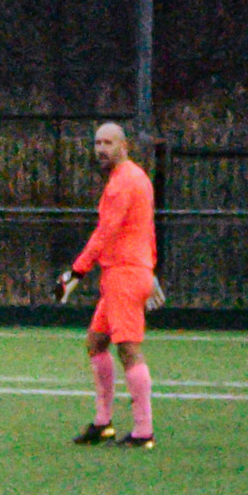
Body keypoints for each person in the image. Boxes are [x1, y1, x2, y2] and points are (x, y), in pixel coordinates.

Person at [58, 121, 164, 449]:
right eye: (97, 143)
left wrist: (75, 273)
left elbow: (105, 233)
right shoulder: (133, 178)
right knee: (96, 342)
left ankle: (143, 432)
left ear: (124, 145)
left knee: (129, 349)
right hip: (126, 272)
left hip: (125, 274)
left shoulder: (124, 182)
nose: (101, 149)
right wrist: (151, 270)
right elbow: (143, 229)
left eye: (108, 143)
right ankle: (103, 423)